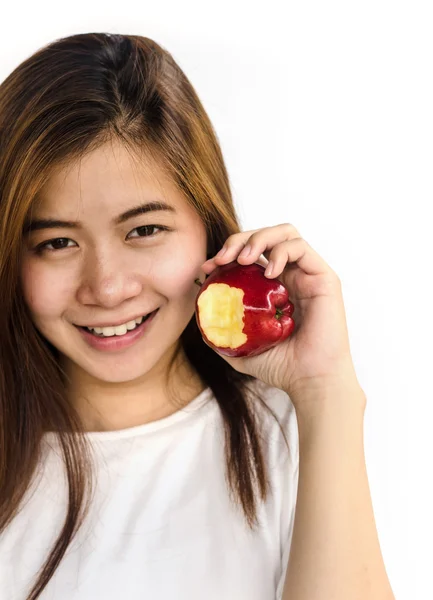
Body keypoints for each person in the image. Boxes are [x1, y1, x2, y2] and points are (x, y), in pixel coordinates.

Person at [0, 33, 395, 600]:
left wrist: (327, 393)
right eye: (58, 243)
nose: (107, 287)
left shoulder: (291, 435)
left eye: (144, 230)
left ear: (208, 229)